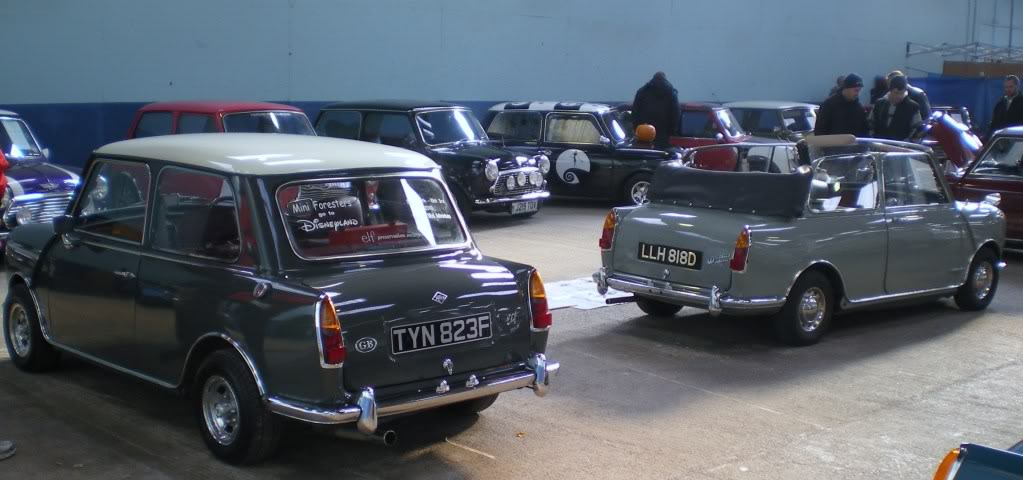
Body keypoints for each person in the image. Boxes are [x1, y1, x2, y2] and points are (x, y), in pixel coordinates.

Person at [868, 75, 923, 141]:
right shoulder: (879, 104)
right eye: (896, 93)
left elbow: (916, 129)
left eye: (902, 93)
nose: (899, 96)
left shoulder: (913, 107)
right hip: (879, 146)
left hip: (902, 148)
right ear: (890, 90)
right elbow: (870, 124)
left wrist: (906, 144)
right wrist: (873, 140)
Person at [632, 72, 679, 147]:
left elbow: (634, 112)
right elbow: (675, 114)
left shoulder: (642, 92)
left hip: (644, 133)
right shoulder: (671, 93)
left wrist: (636, 128)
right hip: (663, 133)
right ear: (665, 79)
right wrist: (672, 131)